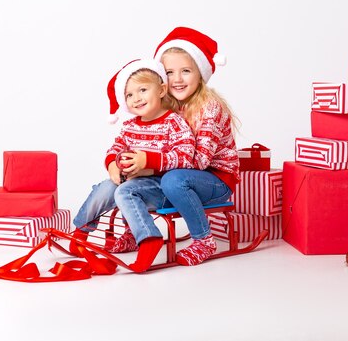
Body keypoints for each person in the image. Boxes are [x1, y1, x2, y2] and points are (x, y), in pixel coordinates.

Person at [71, 58, 196, 272]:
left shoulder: (173, 122)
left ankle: (149, 238)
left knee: (125, 191)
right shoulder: (130, 126)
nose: (136, 99)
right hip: (132, 180)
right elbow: (115, 149)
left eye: (143, 90)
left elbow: (186, 156)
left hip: (161, 186)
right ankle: (81, 232)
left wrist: (149, 161)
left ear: (161, 89)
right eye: (129, 95)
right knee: (104, 188)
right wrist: (113, 166)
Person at [154, 27, 240, 267]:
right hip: (181, 173)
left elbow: (201, 162)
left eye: (186, 71)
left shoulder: (209, 108)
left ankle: (204, 239)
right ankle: (140, 232)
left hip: (216, 179)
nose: (177, 79)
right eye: (170, 72)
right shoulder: (168, 107)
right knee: (140, 182)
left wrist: (154, 163)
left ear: (200, 73)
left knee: (171, 180)